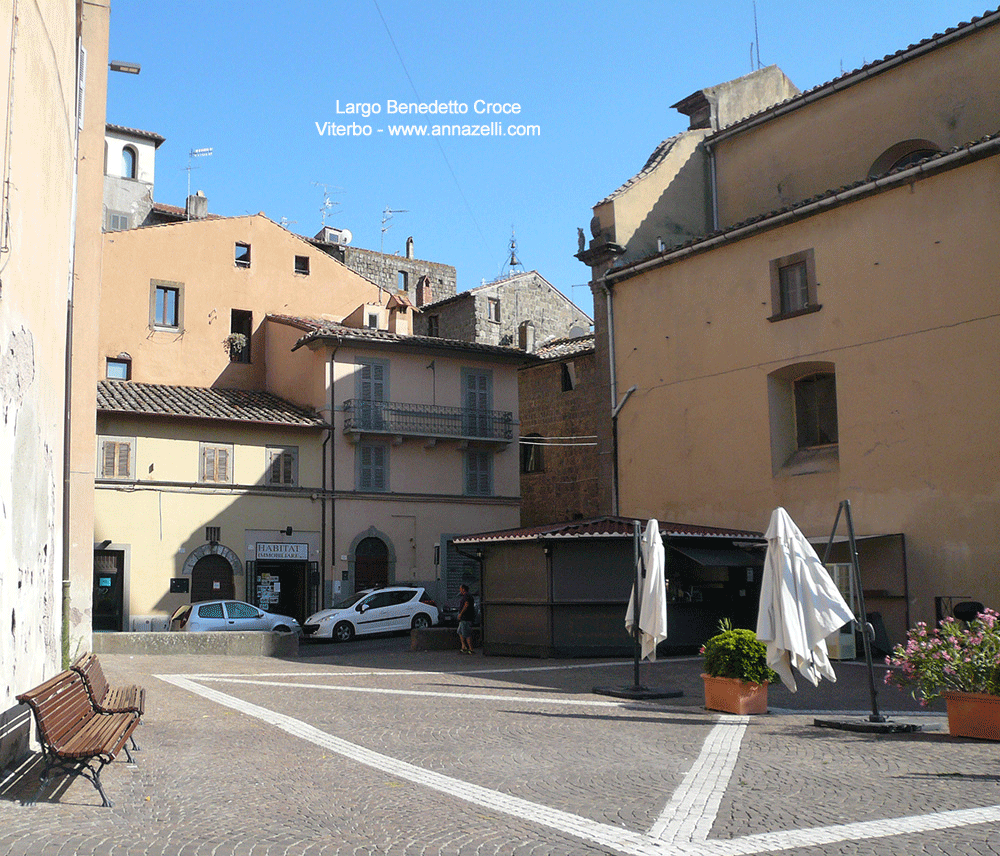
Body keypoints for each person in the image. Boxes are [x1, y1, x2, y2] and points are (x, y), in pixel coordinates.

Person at [457, 583, 475, 654]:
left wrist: (461, 614)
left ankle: (471, 649)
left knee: (466, 633)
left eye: (460, 589)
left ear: (463, 589)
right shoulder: (467, 596)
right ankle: (463, 646)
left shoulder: (467, 596)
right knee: (460, 631)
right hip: (464, 618)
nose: (459, 590)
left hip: (466, 618)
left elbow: (466, 605)